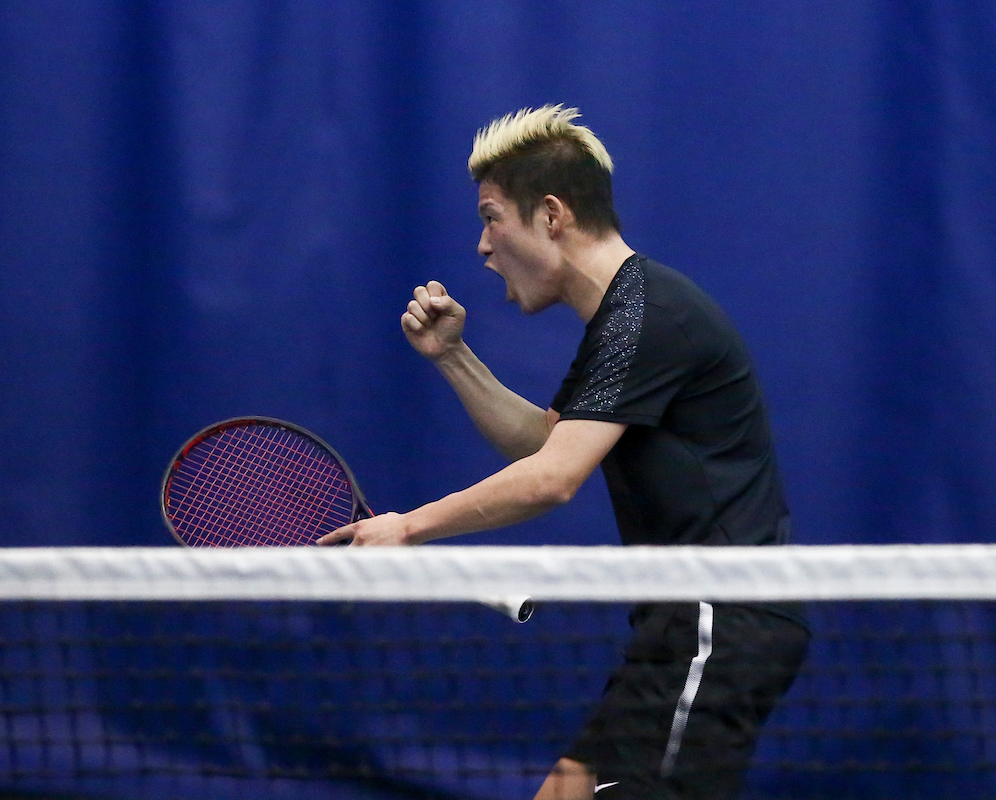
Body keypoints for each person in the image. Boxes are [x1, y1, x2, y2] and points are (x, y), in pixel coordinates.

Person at [316, 105, 809, 800]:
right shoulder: (623, 318)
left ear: (551, 215)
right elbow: (550, 441)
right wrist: (454, 357)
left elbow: (551, 479)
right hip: (679, 622)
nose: (483, 246)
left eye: (491, 216)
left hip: (720, 619)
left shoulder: (649, 316)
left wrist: (407, 526)